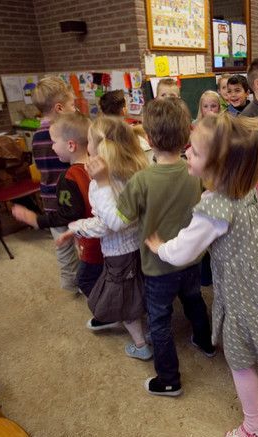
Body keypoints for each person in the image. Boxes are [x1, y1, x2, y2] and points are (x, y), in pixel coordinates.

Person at [145, 113, 258, 437]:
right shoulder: (246, 186)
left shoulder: (214, 208)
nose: (187, 153)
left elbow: (184, 252)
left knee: (240, 361)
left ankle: (254, 426)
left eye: (195, 152)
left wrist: (159, 247)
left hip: (244, 291)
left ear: (219, 167)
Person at [87, 99, 215, 397]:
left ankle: (169, 379)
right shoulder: (192, 172)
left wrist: (104, 183)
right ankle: (205, 341)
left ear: (150, 139)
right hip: (192, 259)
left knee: (159, 321)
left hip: (159, 266)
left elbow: (117, 221)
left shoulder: (142, 180)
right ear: (185, 137)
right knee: (194, 300)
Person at [56, 116, 151, 358]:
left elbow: (110, 223)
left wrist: (76, 226)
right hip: (140, 248)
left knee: (124, 302)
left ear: (100, 147)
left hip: (119, 254)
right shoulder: (134, 170)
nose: (86, 145)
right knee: (137, 291)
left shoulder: (102, 183)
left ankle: (141, 346)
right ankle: (147, 331)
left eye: (88, 140)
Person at [12, 113, 105, 300]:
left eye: (54, 142)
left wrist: (36, 220)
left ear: (70, 145)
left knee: (85, 280)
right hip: (106, 237)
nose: (52, 147)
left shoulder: (69, 177)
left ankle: (107, 313)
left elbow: (67, 214)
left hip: (92, 240)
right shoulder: (100, 166)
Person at [29, 76, 79, 292]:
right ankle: (83, 282)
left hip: (50, 202)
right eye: (72, 105)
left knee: (63, 247)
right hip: (69, 200)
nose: (75, 109)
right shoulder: (63, 135)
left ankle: (70, 283)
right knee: (81, 242)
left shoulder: (36, 136)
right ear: (59, 108)